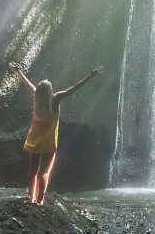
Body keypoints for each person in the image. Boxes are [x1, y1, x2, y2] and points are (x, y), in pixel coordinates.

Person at [8, 61, 103, 204]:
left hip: (35, 141)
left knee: (33, 172)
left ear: (40, 92)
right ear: (49, 90)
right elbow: (73, 88)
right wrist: (90, 76)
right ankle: (39, 201)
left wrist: (19, 72)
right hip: (49, 143)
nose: (45, 79)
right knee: (43, 173)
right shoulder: (55, 98)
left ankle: (31, 198)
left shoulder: (38, 98)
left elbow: (28, 85)